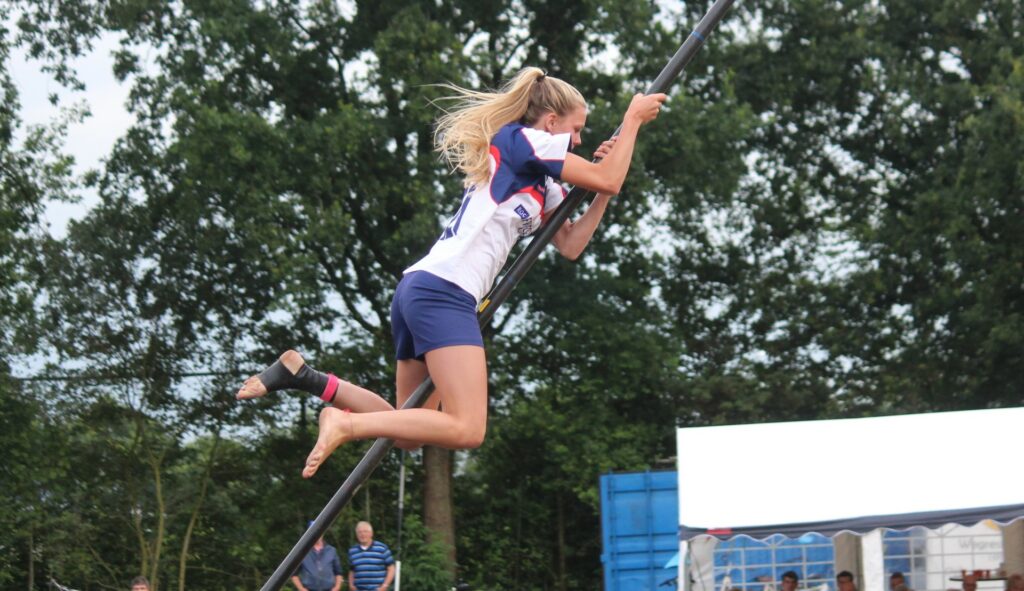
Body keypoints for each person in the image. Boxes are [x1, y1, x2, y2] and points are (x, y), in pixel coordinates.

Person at [235, 67, 667, 478]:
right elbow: (607, 176)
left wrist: (601, 194)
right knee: (468, 428)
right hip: (445, 291)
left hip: (422, 289)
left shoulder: (543, 182)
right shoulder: (524, 140)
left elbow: (571, 243)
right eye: (575, 129)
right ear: (550, 121)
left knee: (406, 429)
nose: (577, 140)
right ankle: (344, 425)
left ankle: (305, 377)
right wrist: (631, 122)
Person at [291, 523, 343, 591]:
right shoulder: (303, 551)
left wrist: (337, 587)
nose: (317, 534)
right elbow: (293, 574)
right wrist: (301, 589)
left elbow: (338, 572)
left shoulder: (331, 550)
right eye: (314, 531)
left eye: (319, 531)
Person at [348, 521, 395, 591]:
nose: (362, 534)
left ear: (371, 533)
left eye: (365, 531)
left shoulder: (382, 548)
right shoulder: (352, 551)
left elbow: (391, 569)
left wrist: (385, 586)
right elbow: (352, 571)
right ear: (357, 534)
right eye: (360, 532)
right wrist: (351, 585)